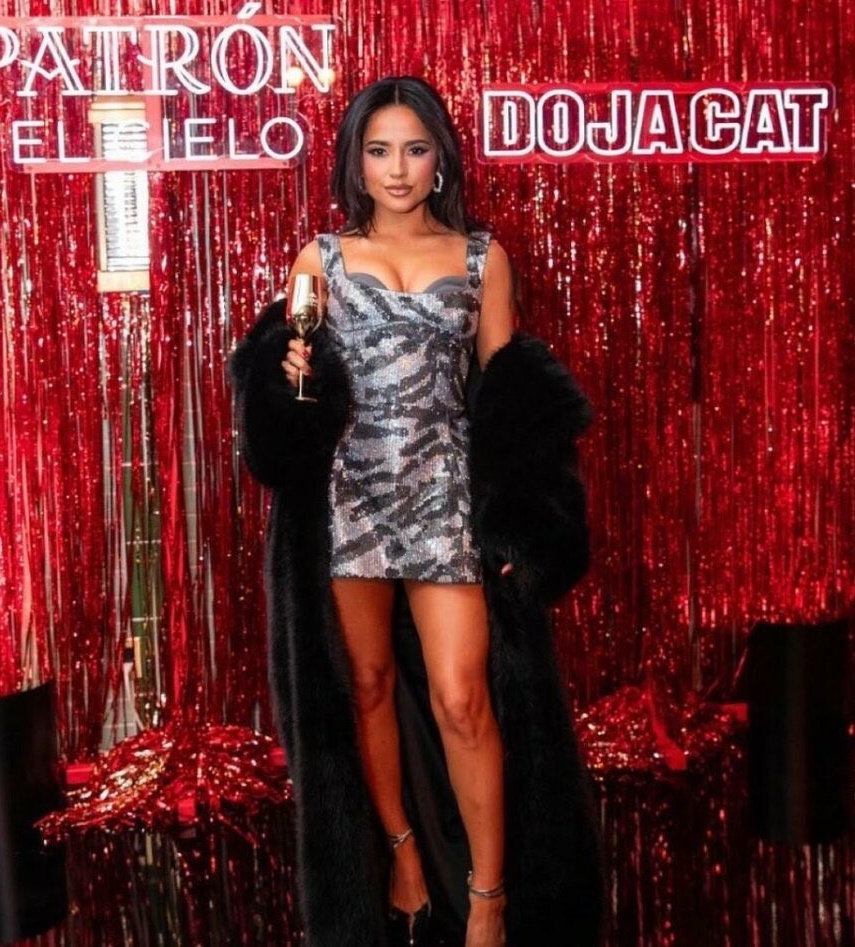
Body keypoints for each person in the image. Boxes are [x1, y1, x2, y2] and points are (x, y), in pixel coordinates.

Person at [230, 77, 603, 947]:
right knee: (365, 686)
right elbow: (290, 405)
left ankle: (488, 896)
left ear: (440, 159)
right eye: (379, 150)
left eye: (414, 148)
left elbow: (510, 404)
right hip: (349, 499)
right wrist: (290, 384)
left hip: (443, 499)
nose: (397, 169)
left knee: (463, 696)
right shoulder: (320, 260)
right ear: (355, 162)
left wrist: (521, 517)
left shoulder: (481, 258)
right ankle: (400, 851)